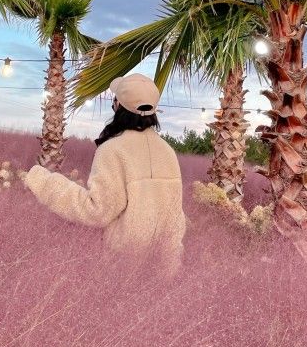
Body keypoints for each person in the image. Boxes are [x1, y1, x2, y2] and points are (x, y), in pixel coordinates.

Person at [22, 73, 186, 275]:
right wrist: (172, 261)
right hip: (164, 266)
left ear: (118, 106)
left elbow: (97, 211)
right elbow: (175, 216)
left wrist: (43, 182)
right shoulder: (167, 151)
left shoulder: (113, 150)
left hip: (122, 266)